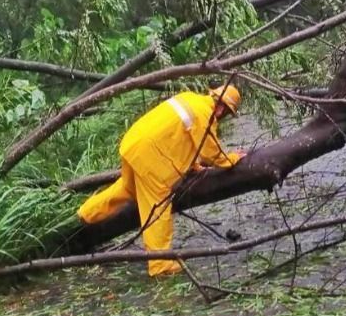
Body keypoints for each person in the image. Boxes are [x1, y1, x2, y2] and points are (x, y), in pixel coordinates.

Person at [76, 84, 246, 277]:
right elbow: (210, 152)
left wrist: (193, 167)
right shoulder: (205, 115)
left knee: (126, 189)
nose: (223, 118)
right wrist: (232, 159)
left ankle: (86, 213)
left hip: (133, 144)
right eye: (226, 114)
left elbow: (179, 137)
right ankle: (159, 264)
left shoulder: (190, 98)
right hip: (150, 158)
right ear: (222, 108)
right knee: (159, 207)